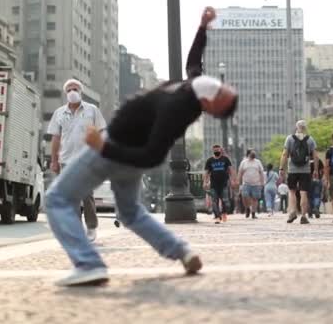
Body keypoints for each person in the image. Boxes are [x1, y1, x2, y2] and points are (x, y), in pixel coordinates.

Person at [46, 73, 238, 286]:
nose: (220, 86)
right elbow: (195, 62)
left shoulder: (177, 109)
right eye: (223, 86)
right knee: (130, 213)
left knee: (57, 199)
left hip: (113, 148)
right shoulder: (188, 91)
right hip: (125, 154)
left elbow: (152, 156)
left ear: (210, 104)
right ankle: (182, 251)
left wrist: (103, 147)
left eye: (221, 92)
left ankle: (87, 264)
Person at [48, 79, 106, 242]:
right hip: (66, 160)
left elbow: (101, 133)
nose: (72, 92)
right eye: (69, 90)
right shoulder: (59, 113)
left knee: (86, 194)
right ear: (65, 93)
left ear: (80, 92)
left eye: (75, 89)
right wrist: (54, 160)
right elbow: (55, 138)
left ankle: (91, 227)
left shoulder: (92, 110)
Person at [280, 120, 318, 224]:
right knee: (303, 193)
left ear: (296, 127)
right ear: (305, 128)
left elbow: (284, 154)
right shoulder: (310, 140)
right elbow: (315, 156)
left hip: (292, 170)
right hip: (306, 171)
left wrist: (281, 168)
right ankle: (304, 216)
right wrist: (315, 169)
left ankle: (292, 211)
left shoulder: (290, 138)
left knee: (292, 192)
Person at [204, 144, 235, 224]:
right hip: (214, 184)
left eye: (218, 150)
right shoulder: (209, 160)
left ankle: (224, 213)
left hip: (224, 183)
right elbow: (207, 172)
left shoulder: (225, 159)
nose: (216, 151)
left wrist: (232, 180)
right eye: (215, 150)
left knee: (225, 200)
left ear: (220, 150)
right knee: (214, 201)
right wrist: (205, 182)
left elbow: (231, 170)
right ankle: (217, 217)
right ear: (213, 151)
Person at [238, 151, 264, 219]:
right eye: (252, 153)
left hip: (256, 183)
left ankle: (253, 213)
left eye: (254, 152)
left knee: (255, 199)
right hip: (246, 183)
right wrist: (239, 183)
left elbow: (261, 172)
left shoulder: (258, 162)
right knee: (245, 196)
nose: (253, 154)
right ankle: (247, 208)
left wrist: (262, 182)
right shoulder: (243, 162)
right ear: (248, 154)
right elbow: (240, 173)